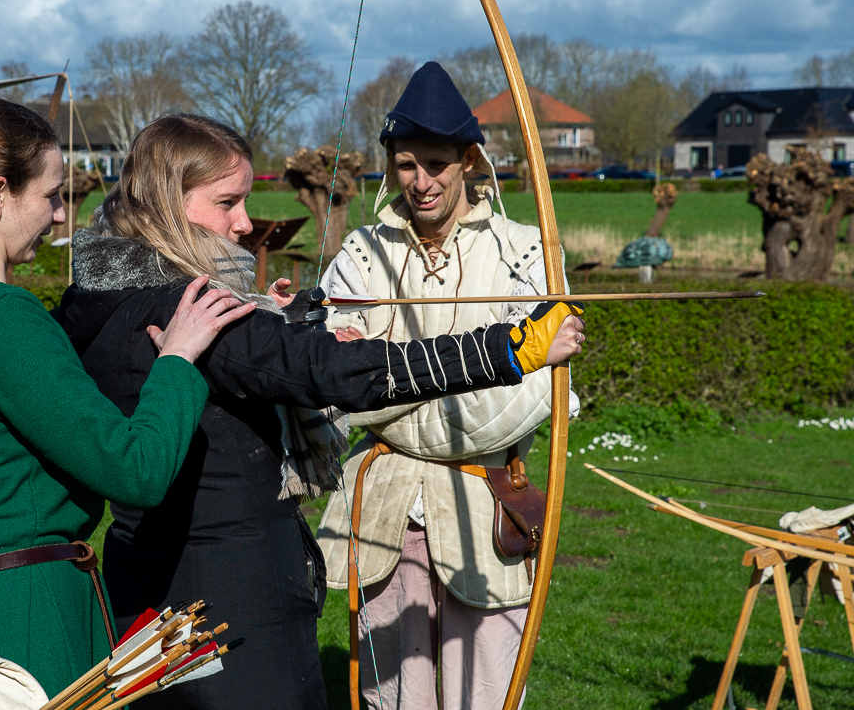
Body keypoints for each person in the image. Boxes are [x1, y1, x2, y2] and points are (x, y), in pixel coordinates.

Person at [56, 112, 584, 710]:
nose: (244, 222)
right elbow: (334, 372)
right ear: (166, 200)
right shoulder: (193, 307)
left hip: (145, 577)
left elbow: (256, 368)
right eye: (227, 202)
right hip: (228, 597)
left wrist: (278, 325)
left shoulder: (93, 296)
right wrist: (509, 349)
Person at [0, 97, 255, 710]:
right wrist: (178, 361)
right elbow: (135, 471)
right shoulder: (1, 316)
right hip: (10, 625)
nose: (58, 215)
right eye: (50, 195)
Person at [316, 61, 582, 710]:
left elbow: (540, 394)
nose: (421, 181)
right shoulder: (362, 253)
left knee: (486, 694)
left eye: (436, 164)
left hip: (487, 506)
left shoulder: (525, 250)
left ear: (469, 161)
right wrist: (431, 399)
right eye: (406, 164)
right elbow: (329, 380)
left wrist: (388, 405)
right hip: (385, 507)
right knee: (394, 697)